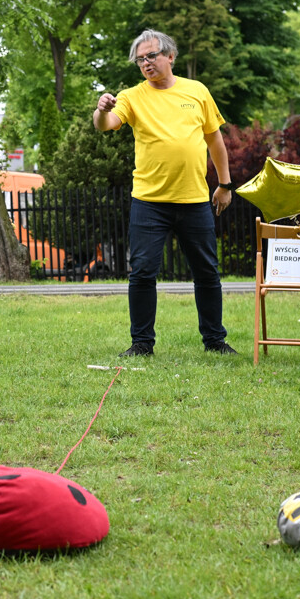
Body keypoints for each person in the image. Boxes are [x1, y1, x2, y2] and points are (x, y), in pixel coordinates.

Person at [92, 28, 237, 358]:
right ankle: (142, 344)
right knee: (142, 273)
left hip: (195, 199)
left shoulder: (197, 91)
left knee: (207, 273)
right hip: (149, 201)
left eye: (151, 56)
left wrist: (225, 185)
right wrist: (101, 110)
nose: (145, 63)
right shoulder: (131, 96)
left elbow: (215, 141)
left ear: (170, 56)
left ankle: (215, 341)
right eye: (140, 59)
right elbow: (106, 125)